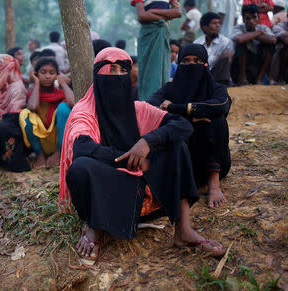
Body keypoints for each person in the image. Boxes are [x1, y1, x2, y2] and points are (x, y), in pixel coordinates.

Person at [59, 47, 226, 260]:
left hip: (149, 196)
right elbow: (82, 147)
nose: (118, 76)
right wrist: (132, 160)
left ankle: (183, 230)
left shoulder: (138, 108)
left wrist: (147, 142)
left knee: (176, 145)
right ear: (97, 74)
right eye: (111, 70)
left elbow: (182, 126)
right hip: (111, 194)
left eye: (123, 70)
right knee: (80, 168)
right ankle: (96, 226)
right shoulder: (85, 112)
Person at [148, 44, 232, 209]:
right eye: (185, 61)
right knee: (176, 126)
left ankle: (213, 183)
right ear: (179, 65)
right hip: (181, 164)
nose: (191, 65)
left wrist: (176, 108)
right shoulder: (170, 89)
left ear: (205, 64)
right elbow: (150, 107)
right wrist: (187, 119)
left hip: (214, 162)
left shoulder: (216, 88)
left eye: (197, 61)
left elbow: (221, 105)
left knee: (217, 119)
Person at [19, 58, 74, 168]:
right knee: (25, 114)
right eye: (43, 73)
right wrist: (36, 83)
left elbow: (73, 103)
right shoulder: (34, 93)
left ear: (57, 75)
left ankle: (59, 153)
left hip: (59, 139)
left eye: (52, 73)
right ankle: (40, 155)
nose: (47, 76)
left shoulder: (61, 93)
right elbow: (33, 107)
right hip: (41, 141)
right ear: (36, 74)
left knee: (64, 107)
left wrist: (62, 82)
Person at [132, 0, 182, 101]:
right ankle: (147, 106)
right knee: (148, 74)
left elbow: (178, 12)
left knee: (162, 73)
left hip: (163, 34)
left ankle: (158, 107)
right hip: (148, 36)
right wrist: (167, 16)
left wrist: (152, 12)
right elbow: (142, 16)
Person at [230, 4, 276, 85]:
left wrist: (251, 35)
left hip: (257, 64)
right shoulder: (238, 28)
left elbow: (273, 40)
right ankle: (243, 79)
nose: (251, 21)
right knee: (241, 44)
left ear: (258, 17)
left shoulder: (263, 28)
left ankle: (259, 79)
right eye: (248, 18)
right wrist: (258, 33)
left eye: (254, 17)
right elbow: (241, 39)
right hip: (239, 67)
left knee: (270, 46)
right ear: (243, 19)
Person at [194, 12, 234, 85]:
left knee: (227, 54)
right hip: (202, 76)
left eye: (219, 23)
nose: (218, 25)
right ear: (204, 27)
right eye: (214, 23)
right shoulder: (197, 43)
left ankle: (223, 86)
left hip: (218, 77)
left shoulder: (226, 42)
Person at [270, 15, 288, 83]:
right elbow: (286, 40)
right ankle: (279, 78)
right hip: (280, 61)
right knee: (283, 48)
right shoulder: (279, 26)